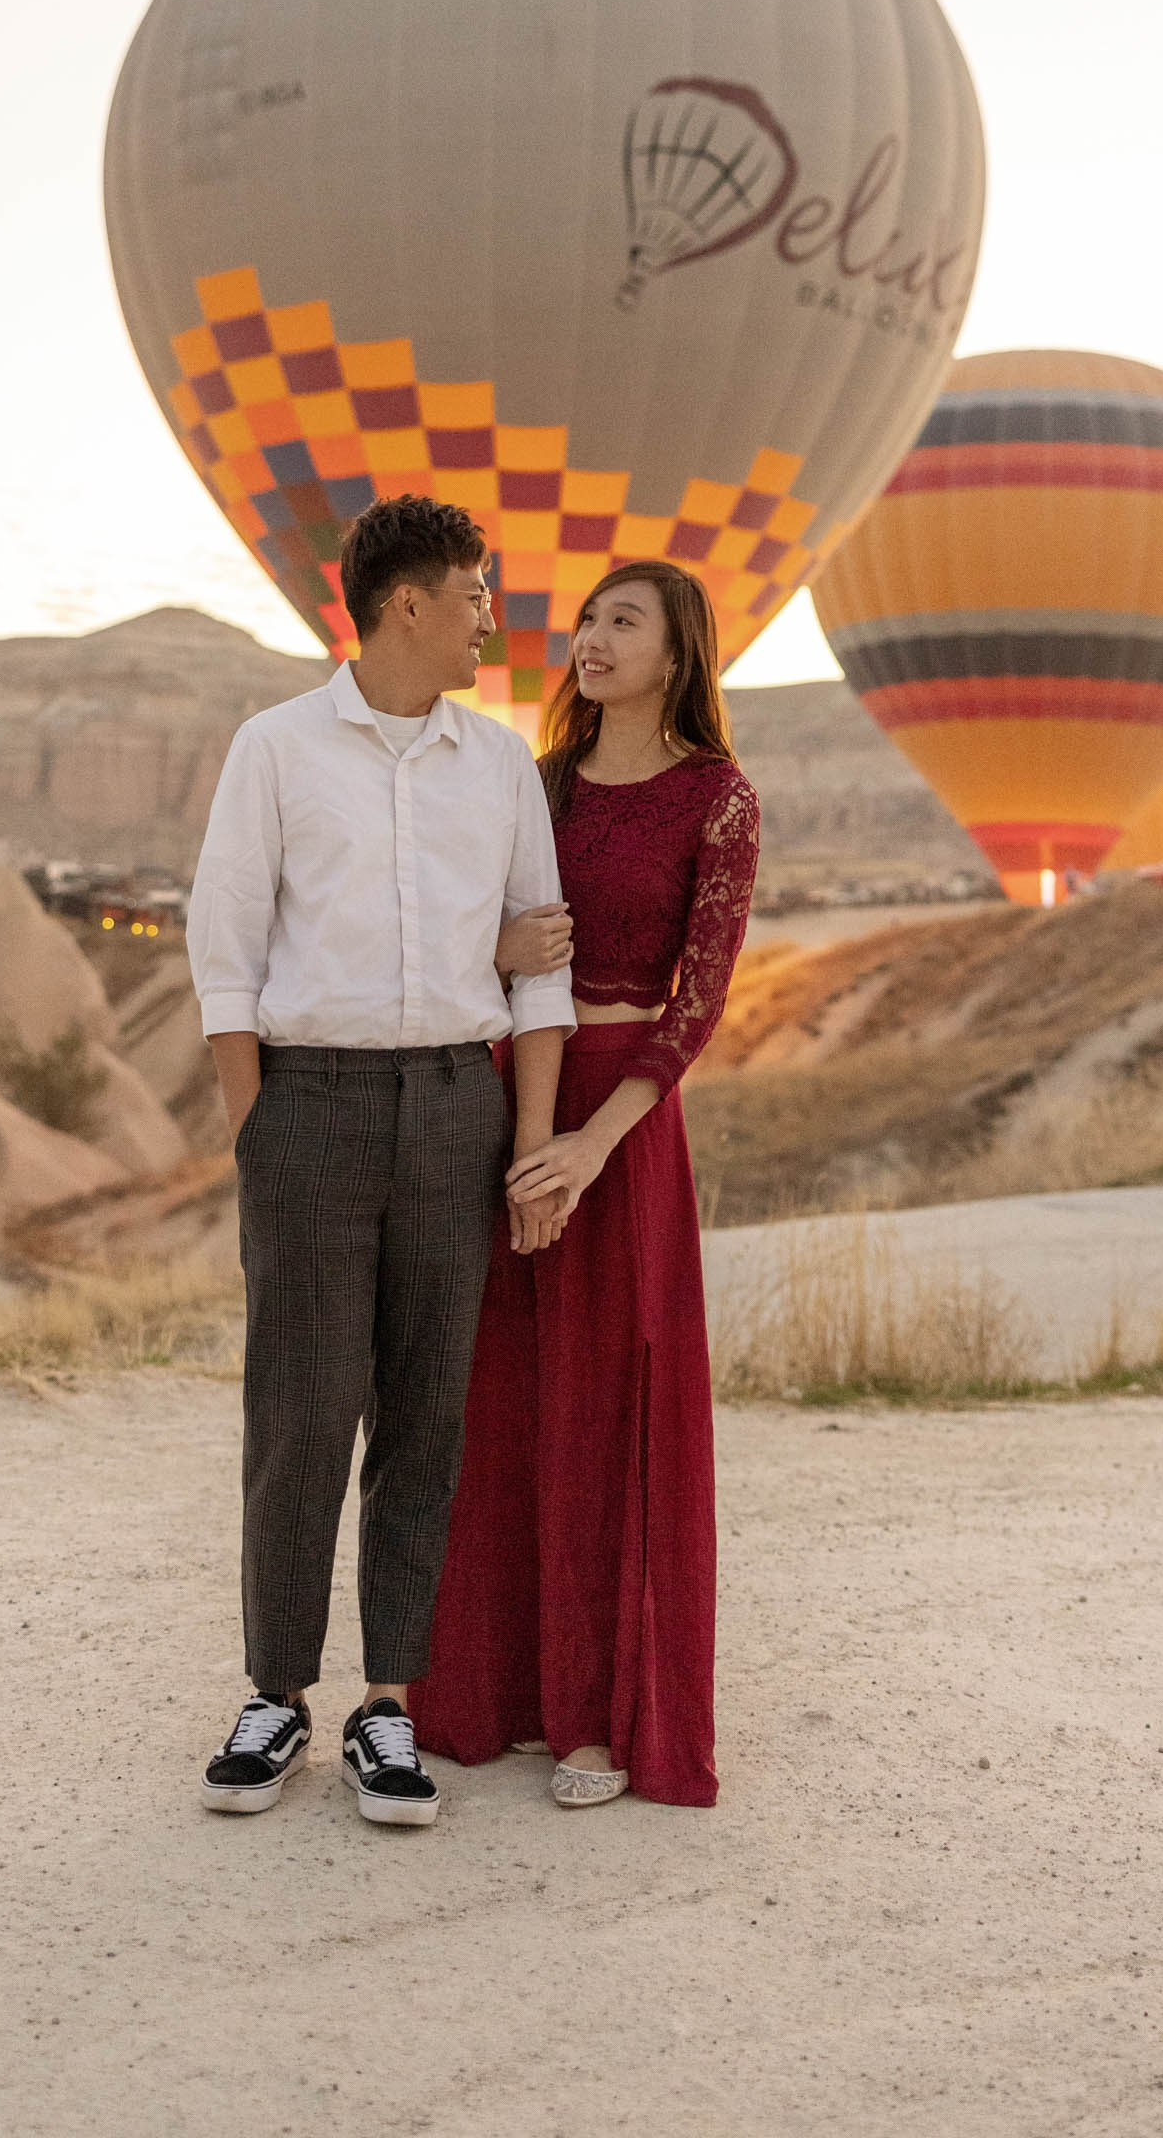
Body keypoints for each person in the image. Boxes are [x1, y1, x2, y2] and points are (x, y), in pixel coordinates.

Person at [188, 494, 575, 1827]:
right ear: (406, 601)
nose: (492, 610)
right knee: (300, 1412)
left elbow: (542, 968)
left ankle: (387, 1708)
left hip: (454, 1114)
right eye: (477, 588)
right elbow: (222, 950)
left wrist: (526, 1149)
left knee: (427, 1419)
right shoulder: (277, 749)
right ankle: (274, 1694)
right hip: (311, 1109)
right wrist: (259, 1121)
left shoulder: (499, 764)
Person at [408, 560, 760, 1810]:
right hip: (515, 1090)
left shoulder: (717, 798)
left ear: (678, 655)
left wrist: (588, 1149)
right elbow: (466, 935)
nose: (592, 638)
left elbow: (701, 1002)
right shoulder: (534, 781)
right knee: (496, 1395)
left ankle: (602, 1718)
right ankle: (493, 1692)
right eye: (590, 618)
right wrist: (524, 1138)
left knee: (610, 1402)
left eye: (626, 621)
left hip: (622, 1118)